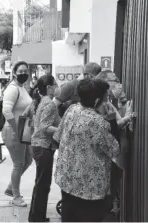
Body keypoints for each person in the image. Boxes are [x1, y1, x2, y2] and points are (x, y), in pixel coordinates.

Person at [53, 78, 120, 222]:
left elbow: (57, 137)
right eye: (106, 98)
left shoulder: (71, 110)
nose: (107, 102)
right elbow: (115, 150)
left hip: (66, 179)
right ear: (96, 101)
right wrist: (112, 121)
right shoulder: (98, 122)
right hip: (90, 188)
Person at [28, 75, 60, 222]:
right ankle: (37, 218)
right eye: (55, 84)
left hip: (39, 146)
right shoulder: (49, 104)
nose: (57, 87)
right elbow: (44, 127)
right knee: (43, 184)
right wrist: (62, 129)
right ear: (48, 88)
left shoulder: (43, 101)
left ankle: (36, 216)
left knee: (40, 183)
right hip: (43, 147)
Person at [2, 61, 33, 207]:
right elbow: (6, 111)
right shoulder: (13, 89)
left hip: (23, 130)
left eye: (25, 71)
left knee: (27, 160)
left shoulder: (22, 88)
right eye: (20, 71)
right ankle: (16, 196)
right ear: (14, 73)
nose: (23, 74)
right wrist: (17, 129)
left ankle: (11, 187)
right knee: (18, 164)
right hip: (13, 130)